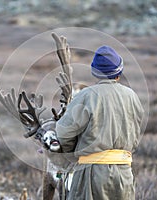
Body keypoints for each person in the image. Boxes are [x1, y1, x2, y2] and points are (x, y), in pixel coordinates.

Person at [56, 46, 144, 200]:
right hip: (124, 173)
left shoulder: (86, 96)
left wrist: (72, 152)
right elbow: (135, 135)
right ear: (119, 72)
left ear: (95, 72)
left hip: (89, 174)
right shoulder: (132, 97)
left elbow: (63, 133)